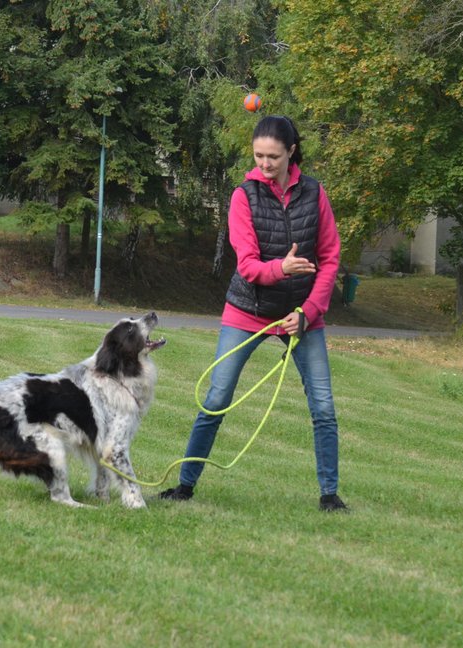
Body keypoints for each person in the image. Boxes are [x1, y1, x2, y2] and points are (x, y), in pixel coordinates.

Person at [159, 115, 347, 512]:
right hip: (248, 310)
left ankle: (329, 495)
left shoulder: (315, 193)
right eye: (259, 156)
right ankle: (185, 486)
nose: (264, 164)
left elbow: (330, 260)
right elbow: (247, 266)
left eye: (273, 157)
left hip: (301, 315)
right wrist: (283, 267)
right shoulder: (243, 196)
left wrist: (309, 313)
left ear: (291, 151)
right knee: (217, 397)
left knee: (324, 408)